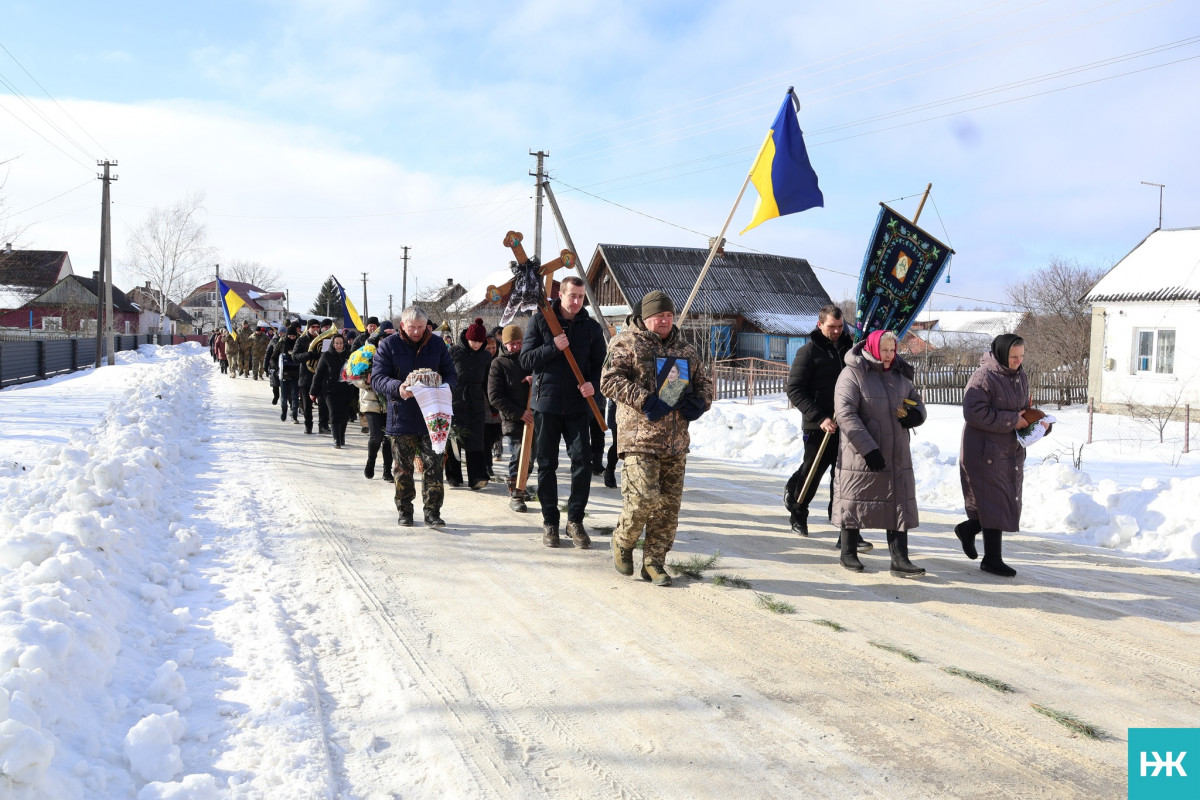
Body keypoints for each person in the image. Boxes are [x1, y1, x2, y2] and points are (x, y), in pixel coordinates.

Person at [601, 290, 713, 586]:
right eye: (658, 316)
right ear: (645, 317)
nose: (664, 320)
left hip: (675, 441)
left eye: (668, 315)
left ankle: (654, 562)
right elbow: (609, 380)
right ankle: (623, 540)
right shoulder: (626, 342)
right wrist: (645, 399)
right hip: (639, 438)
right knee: (643, 498)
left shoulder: (685, 349)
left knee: (667, 508)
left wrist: (701, 402)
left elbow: (705, 383)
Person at [519, 276, 607, 549]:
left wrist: (593, 385)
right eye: (572, 296)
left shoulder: (591, 327)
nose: (577, 301)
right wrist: (552, 347)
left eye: (581, 297)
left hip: (578, 406)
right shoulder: (540, 321)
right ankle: (550, 522)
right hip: (546, 404)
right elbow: (526, 359)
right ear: (561, 294)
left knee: (582, 462)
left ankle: (575, 520)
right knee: (547, 464)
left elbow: (599, 366)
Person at [831, 330, 927, 575]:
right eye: (884, 350)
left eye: (893, 350)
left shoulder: (899, 375)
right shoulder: (852, 373)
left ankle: (900, 559)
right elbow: (846, 414)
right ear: (872, 348)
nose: (889, 355)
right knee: (855, 499)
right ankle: (848, 552)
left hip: (896, 452)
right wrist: (868, 448)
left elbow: (916, 402)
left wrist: (916, 416)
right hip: (861, 452)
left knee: (898, 500)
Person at [956, 334, 1045, 578]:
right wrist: (1012, 420)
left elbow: (1022, 410)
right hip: (983, 449)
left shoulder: (1020, 376)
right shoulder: (983, 377)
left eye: (1022, 356)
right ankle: (992, 558)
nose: (1018, 361)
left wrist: (1037, 423)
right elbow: (974, 413)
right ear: (1001, 354)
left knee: (1001, 500)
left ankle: (969, 529)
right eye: (1013, 356)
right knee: (993, 500)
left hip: (1009, 448)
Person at [371, 305, 456, 528]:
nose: (417, 331)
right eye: (412, 327)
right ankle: (405, 510)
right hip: (402, 415)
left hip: (433, 416)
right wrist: (398, 387)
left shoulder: (437, 344)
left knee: (434, 467)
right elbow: (377, 378)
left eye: (421, 327)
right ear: (402, 325)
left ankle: (432, 512)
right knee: (402, 468)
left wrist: (444, 387)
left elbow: (451, 374)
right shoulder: (389, 345)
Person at [784, 305, 855, 538]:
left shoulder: (850, 350)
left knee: (843, 476)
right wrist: (819, 417)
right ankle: (798, 514)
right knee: (812, 472)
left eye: (840, 326)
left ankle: (843, 523)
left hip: (847, 422)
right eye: (831, 326)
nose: (836, 331)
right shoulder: (808, 352)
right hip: (818, 424)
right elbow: (795, 389)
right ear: (820, 324)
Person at [488, 323, 533, 512]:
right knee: (519, 455)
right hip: (513, 419)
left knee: (531, 458)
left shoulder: (529, 359)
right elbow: (495, 396)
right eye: (511, 343)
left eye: (518, 342)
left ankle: (522, 484)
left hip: (533, 417)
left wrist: (534, 379)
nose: (515, 346)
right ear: (504, 344)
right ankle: (516, 494)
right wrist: (519, 413)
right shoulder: (498, 364)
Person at [445, 318, 493, 490]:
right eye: (474, 341)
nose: (477, 345)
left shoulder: (486, 356)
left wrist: (492, 405)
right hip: (455, 401)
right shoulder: (453, 352)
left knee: (476, 440)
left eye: (480, 342)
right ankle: (453, 476)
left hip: (476, 402)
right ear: (467, 338)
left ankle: (477, 478)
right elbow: (445, 375)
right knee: (455, 439)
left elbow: (488, 382)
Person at [351, 321, 394, 481]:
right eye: (383, 338)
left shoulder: (397, 354)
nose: (386, 342)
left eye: (390, 338)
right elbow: (354, 377)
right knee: (376, 436)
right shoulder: (366, 354)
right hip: (371, 402)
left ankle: (387, 470)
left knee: (389, 438)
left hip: (390, 402)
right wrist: (366, 382)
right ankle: (371, 461)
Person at [312, 333, 356, 448]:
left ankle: (342, 436)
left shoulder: (350, 355)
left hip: (346, 390)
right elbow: (318, 374)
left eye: (341, 343)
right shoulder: (326, 356)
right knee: (334, 414)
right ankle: (336, 439)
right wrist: (313, 391)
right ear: (333, 344)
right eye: (336, 343)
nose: (339, 345)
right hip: (330, 391)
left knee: (344, 416)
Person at [292, 319, 323, 434]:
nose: (315, 329)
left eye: (317, 327)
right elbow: (295, 357)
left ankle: (323, 425)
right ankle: (308, 426)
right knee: (307, 405)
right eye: (313, 327)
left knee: (323, 404)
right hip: (306, 376)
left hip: (320, 376)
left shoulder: (323, 340)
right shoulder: (301, 340)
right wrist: (309, 355)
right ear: (308, 328)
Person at [483, 334, 503, 476]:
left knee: (496, 435)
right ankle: (487, 465)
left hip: (498, 403)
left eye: (494, 347)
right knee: (486, 439)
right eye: (488, 348)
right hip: (484, 402)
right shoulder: (481, 361)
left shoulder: (500, 360)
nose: (491, 350)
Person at [277, 323, 302, 424]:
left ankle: (294, 415)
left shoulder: (299, 344)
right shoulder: (281, 343)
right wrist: (276, 368)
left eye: (293, 336)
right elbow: (274, 356)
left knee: (295, 396)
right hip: (284, 373)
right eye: (290, 336)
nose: (291, 338)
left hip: (296, 373)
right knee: (284, 396)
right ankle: (284, 410)